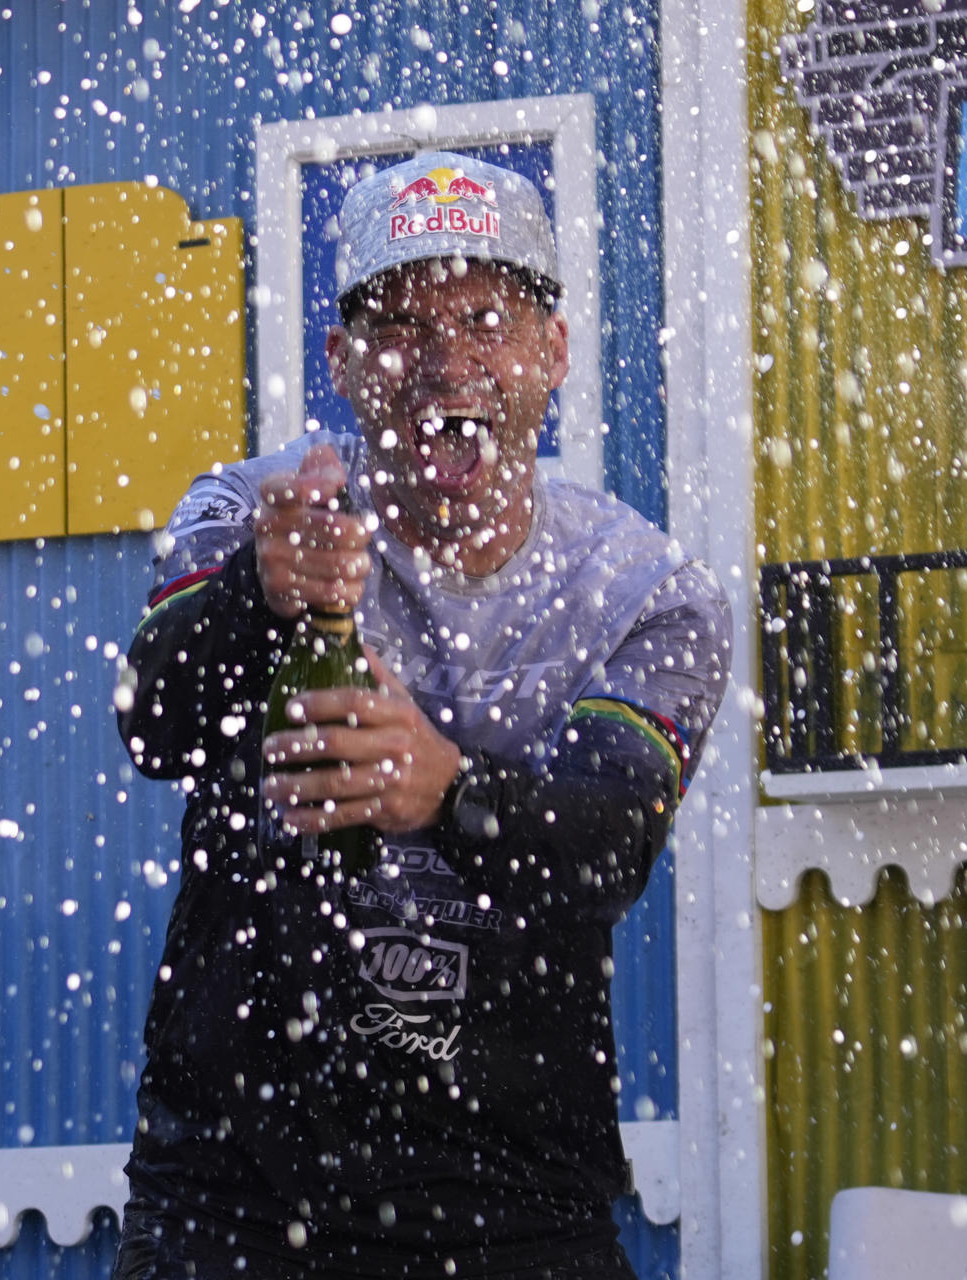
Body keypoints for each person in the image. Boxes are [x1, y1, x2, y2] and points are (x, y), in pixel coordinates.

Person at [111, 150, 730, 1278]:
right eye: (400, 324)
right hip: (236, 1195)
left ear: (555, 351)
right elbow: (155, 722)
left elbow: (607, 850)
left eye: (487, 317)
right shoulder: (248, 510)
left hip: (516, 1196)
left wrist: (444, 791)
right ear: (345, 365)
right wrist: (262, 590)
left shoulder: (649, 593)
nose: (448, 362)